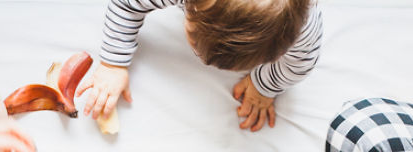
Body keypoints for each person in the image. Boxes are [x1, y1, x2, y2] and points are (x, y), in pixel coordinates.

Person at [78, 0, 323, 132]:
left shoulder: (303, 30)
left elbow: (299, 64)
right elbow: (126, 4)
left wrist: (264, 86)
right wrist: (113, 62)